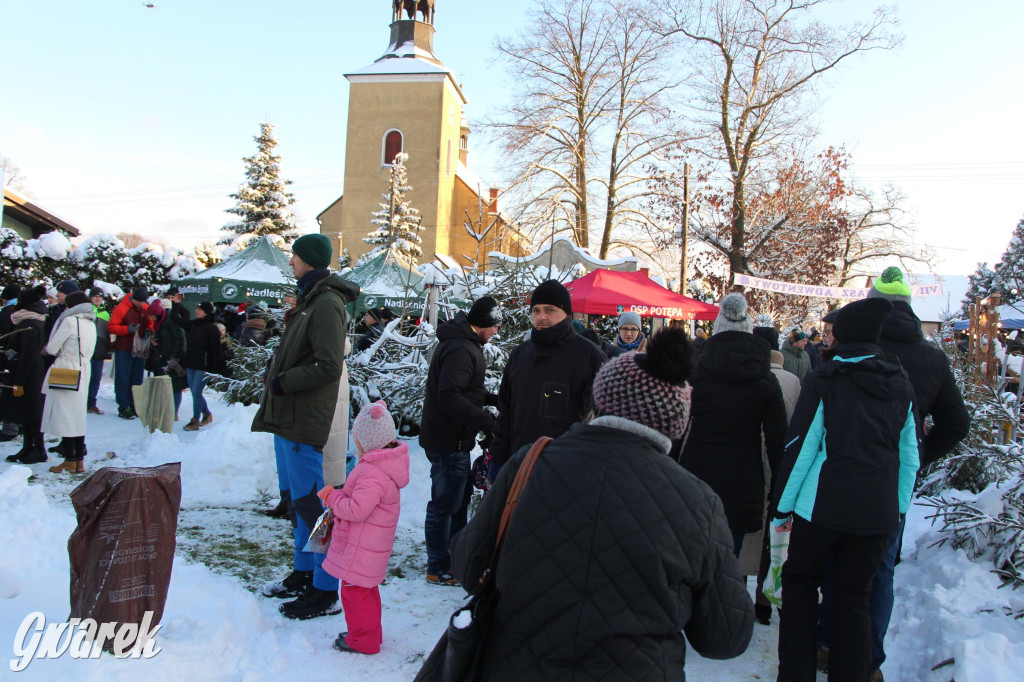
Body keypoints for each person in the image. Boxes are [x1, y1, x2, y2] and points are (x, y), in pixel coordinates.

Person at [430, 328, 754, 680]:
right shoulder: (699, 502)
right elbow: (725, 637)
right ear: (676, 420)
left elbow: (467, 563)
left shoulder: (531, 463)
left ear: (600, 399)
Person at [817, 267, 970, 681]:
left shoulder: (853, 348)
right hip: (895, 481)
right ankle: (869, 662)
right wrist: (920, 455)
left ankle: (829, 642)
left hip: (840, 469)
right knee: (880, 567)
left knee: (835, 557)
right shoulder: (933, 358)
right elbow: (957, 424)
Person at [771, 297, 919, 682]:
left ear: (846, 335)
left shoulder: (827, 378)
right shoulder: (900, 382)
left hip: (822, 507)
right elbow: (909, 456)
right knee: (856, 597)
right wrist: (897, 510)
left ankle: (796, 675)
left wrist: (781, 508)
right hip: (877, 512)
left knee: (801, 586)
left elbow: (802, 447)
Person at [252, 232, 359, 620]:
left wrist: (284, 381)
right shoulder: (310, 299)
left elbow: (328, 366)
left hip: (305, 418)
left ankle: (324, 589)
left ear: (308, 259)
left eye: (294, 256)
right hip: (289, 416)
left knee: (314, 504)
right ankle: (303, 571)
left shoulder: (327, 303)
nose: (289, 261)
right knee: (299, 503)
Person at [677, 292, 788, 557]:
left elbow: (675, 425)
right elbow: (777, 439)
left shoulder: (695, 372)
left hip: (697, 470)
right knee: (728, 558)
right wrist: (779, 489)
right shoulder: (766, 378)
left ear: (716, 331)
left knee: (691, 554)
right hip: (744, 475)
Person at [418, 296, 501, 586]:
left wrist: (494, 399)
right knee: (444, 504)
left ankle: (454, 557)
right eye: (494, 327)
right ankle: (438, 565)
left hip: (453, 439)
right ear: (483, 324)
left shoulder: (465, 344)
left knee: (457, 500)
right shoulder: (461, 349)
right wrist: (486, 421)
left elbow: (464, 391)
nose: (496, 333)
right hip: (447, 440)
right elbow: (449, 395)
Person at [487, 280, 605, 478]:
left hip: (564, 475)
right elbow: (506, 413)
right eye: (536, 310)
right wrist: (498, 458)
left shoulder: (589, 357)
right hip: (518, 467)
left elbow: (601, 424)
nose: (541, 317)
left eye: (550, 310)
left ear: (566, 312)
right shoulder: (520, 355)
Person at [319, 400, 409, 655]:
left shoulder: (372, 473)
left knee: (354, 595)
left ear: (369, 442)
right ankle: (368, 633)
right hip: (368, 546)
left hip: (361, 547)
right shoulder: (382, 468)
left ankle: (362, 640)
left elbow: (357, 509)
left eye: (357, 439)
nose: (355, 443)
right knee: (365, 593)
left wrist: (332, 497)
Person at [41, 292, 97, 474]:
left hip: (66, 369)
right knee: (77, 416)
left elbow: (52, 348)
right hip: (84, 369)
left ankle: (70, 459)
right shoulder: (91, 323)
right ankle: (78, 459)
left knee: (65, 416)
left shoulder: (69, 322)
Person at [3, 285, 49, 463]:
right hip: (27, 370)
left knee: (33, 411)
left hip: (29, 372)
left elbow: (28, 354)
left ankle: (38, 449)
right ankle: (28, 447)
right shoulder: (28, 321)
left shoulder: (30, 324)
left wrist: (19, 381)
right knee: (26, 410)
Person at [171, 300, 221, 431]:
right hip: (190, 364)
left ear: (206, 312)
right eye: (197, 308)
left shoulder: (212, 328)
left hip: (203, 366)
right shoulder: (192, 325)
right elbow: (176, 319)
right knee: (195, 392)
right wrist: (176, 304)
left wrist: (214, 370)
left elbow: (216, 350)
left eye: (200, 309)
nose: (197, 310)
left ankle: (195, 420)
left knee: (196, 393)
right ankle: (207, 414)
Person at [107, 286, 154, 419]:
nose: (141, 304)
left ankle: (135, 405)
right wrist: (127, 329)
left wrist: (149, 330)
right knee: (122, 378)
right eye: (139, 301)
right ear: (133, 299)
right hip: (124, 348)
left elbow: (151, 323)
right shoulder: (121, 308)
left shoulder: (145, 307)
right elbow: (112, 326)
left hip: (140, 348)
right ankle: (124, 407)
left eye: (143, 301)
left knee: (137, 379)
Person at [148, 298, 187, 421]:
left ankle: (173, 412)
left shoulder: (171, 321)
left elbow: (180, 339)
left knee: (175, 386)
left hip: (175, 358)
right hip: (163, 356)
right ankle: (166, 410)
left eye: (152, 316)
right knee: (164, 386)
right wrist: (155, 343)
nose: (151, 318)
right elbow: (163, 340)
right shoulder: (160, 323)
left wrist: (175, 357)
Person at [0, 284, 21, 442]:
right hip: (16, 356)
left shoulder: (8, 311)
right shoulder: (23, 309)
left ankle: (10, 425)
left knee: (6, 389)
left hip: (7, 355)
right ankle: (17, 423)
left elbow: (4, 334)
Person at [85, 288, 111, 415]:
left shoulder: (105, 313)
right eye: (95, 296)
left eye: (100, 297)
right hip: (86, 349)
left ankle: (91, 403)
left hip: (99, 350)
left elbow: (107, 335)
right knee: (85, 378)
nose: (98, 299)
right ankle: (81, 402)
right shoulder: (86, 311)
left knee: (95, 378)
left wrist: (108, 349)